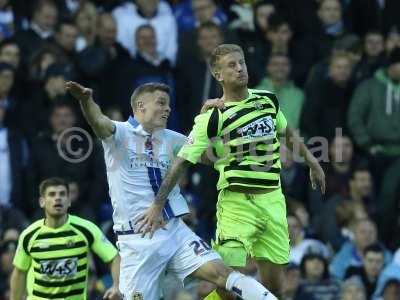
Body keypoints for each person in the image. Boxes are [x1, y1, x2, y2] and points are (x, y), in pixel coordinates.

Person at [136, 43, 326, 299]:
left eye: (242, 63)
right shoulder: (212, 117)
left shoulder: (267, 100)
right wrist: (158, 205)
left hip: (272, 200)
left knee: (276, 289)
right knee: (228, 288)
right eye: (232, 65)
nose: (240, 69)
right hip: (236, 204)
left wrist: (313, 163)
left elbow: (287, 133)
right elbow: (182, 162)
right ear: (218, 75)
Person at [66, 80, 278, 300]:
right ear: (140, 106)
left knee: (222, 274)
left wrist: (208, 123)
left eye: (168, 104)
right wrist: (86, 100)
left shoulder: (172, 138)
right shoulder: (119, 133)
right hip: (138, 240)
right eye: (161, 103)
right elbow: (97, 121)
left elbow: (210, 156)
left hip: (174, 232)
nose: (167, 108)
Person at [9, 177, 120, 300]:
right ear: (42, 202)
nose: (57, 198)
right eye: (52, 194)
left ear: (68, 201)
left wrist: (116, 285)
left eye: (62, 194)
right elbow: (19, 273)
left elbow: (114, 258)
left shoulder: (87, 229)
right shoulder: (29, 235)